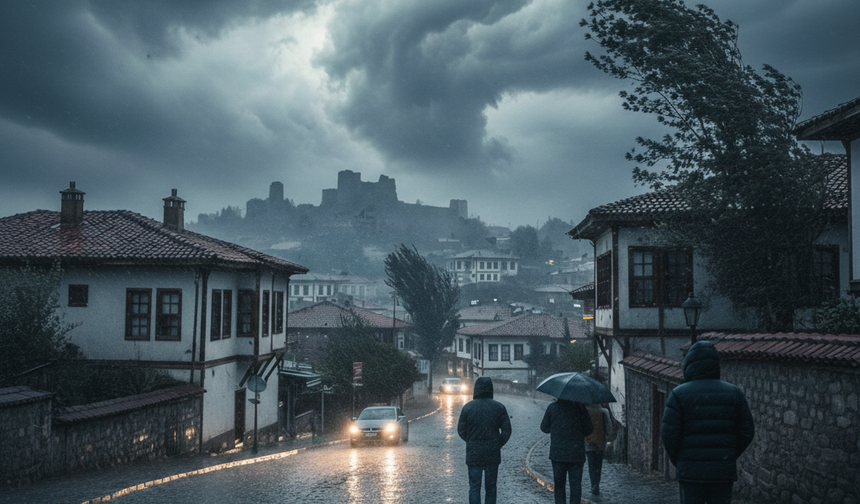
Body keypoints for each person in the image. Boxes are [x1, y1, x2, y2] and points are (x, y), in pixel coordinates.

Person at [661, 340, 755, 504]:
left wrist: (681, 459)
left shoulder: (678, 395)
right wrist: (728, 455)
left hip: (690, 472)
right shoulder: (734, 393)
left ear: (689, 365)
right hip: (721, 472)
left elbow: (669, 433)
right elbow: (747, 431)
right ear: (716, 365)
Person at [457, 377, 512, 504]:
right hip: (492, 453)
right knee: (491, 487)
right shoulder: (499, 407)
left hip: (474, 453)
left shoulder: (468, 408)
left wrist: (471, 440)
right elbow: (507, 430)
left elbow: (461, 430)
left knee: (474, 487)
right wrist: (498, 443)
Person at [540, 398, 593, 504]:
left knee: (559, 485)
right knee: (576, 486)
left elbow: (544, 428)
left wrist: (556, 428)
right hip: (576, 454)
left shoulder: (552, 408)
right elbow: (589, 429)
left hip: (558, 454)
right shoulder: (580, 409)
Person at [585, 403, 615, 495]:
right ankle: (596, 484)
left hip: (588, 442)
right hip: (600, 442)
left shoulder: (585, 411)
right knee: (598, 465)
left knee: (591, 465)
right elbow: (609, 427)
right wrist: (609, 436)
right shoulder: (604, 411)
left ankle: (593, 483)